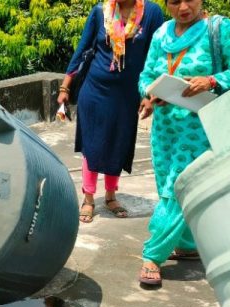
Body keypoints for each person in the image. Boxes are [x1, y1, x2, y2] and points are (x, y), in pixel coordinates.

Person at [136, 0, 230, 286]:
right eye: (175, 2)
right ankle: (187, 244)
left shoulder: (220, 28)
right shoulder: (161, 34)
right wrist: (149, 95)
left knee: (177, 189)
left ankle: (153, 255)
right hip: (165, 130)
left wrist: (211, 81)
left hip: (201, 128)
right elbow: (146, 75)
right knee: (167, 185)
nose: (183, 7)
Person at [58, 0, 164, 223]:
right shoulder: (100, 11)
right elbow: (83, 49)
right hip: (95, 90)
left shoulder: (152, 13)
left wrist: (149, 93)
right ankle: (88, 198)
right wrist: (65, 87)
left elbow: (156, 56)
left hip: (127, 94)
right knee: (92, 144)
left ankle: (110, 196)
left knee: (118, 142)